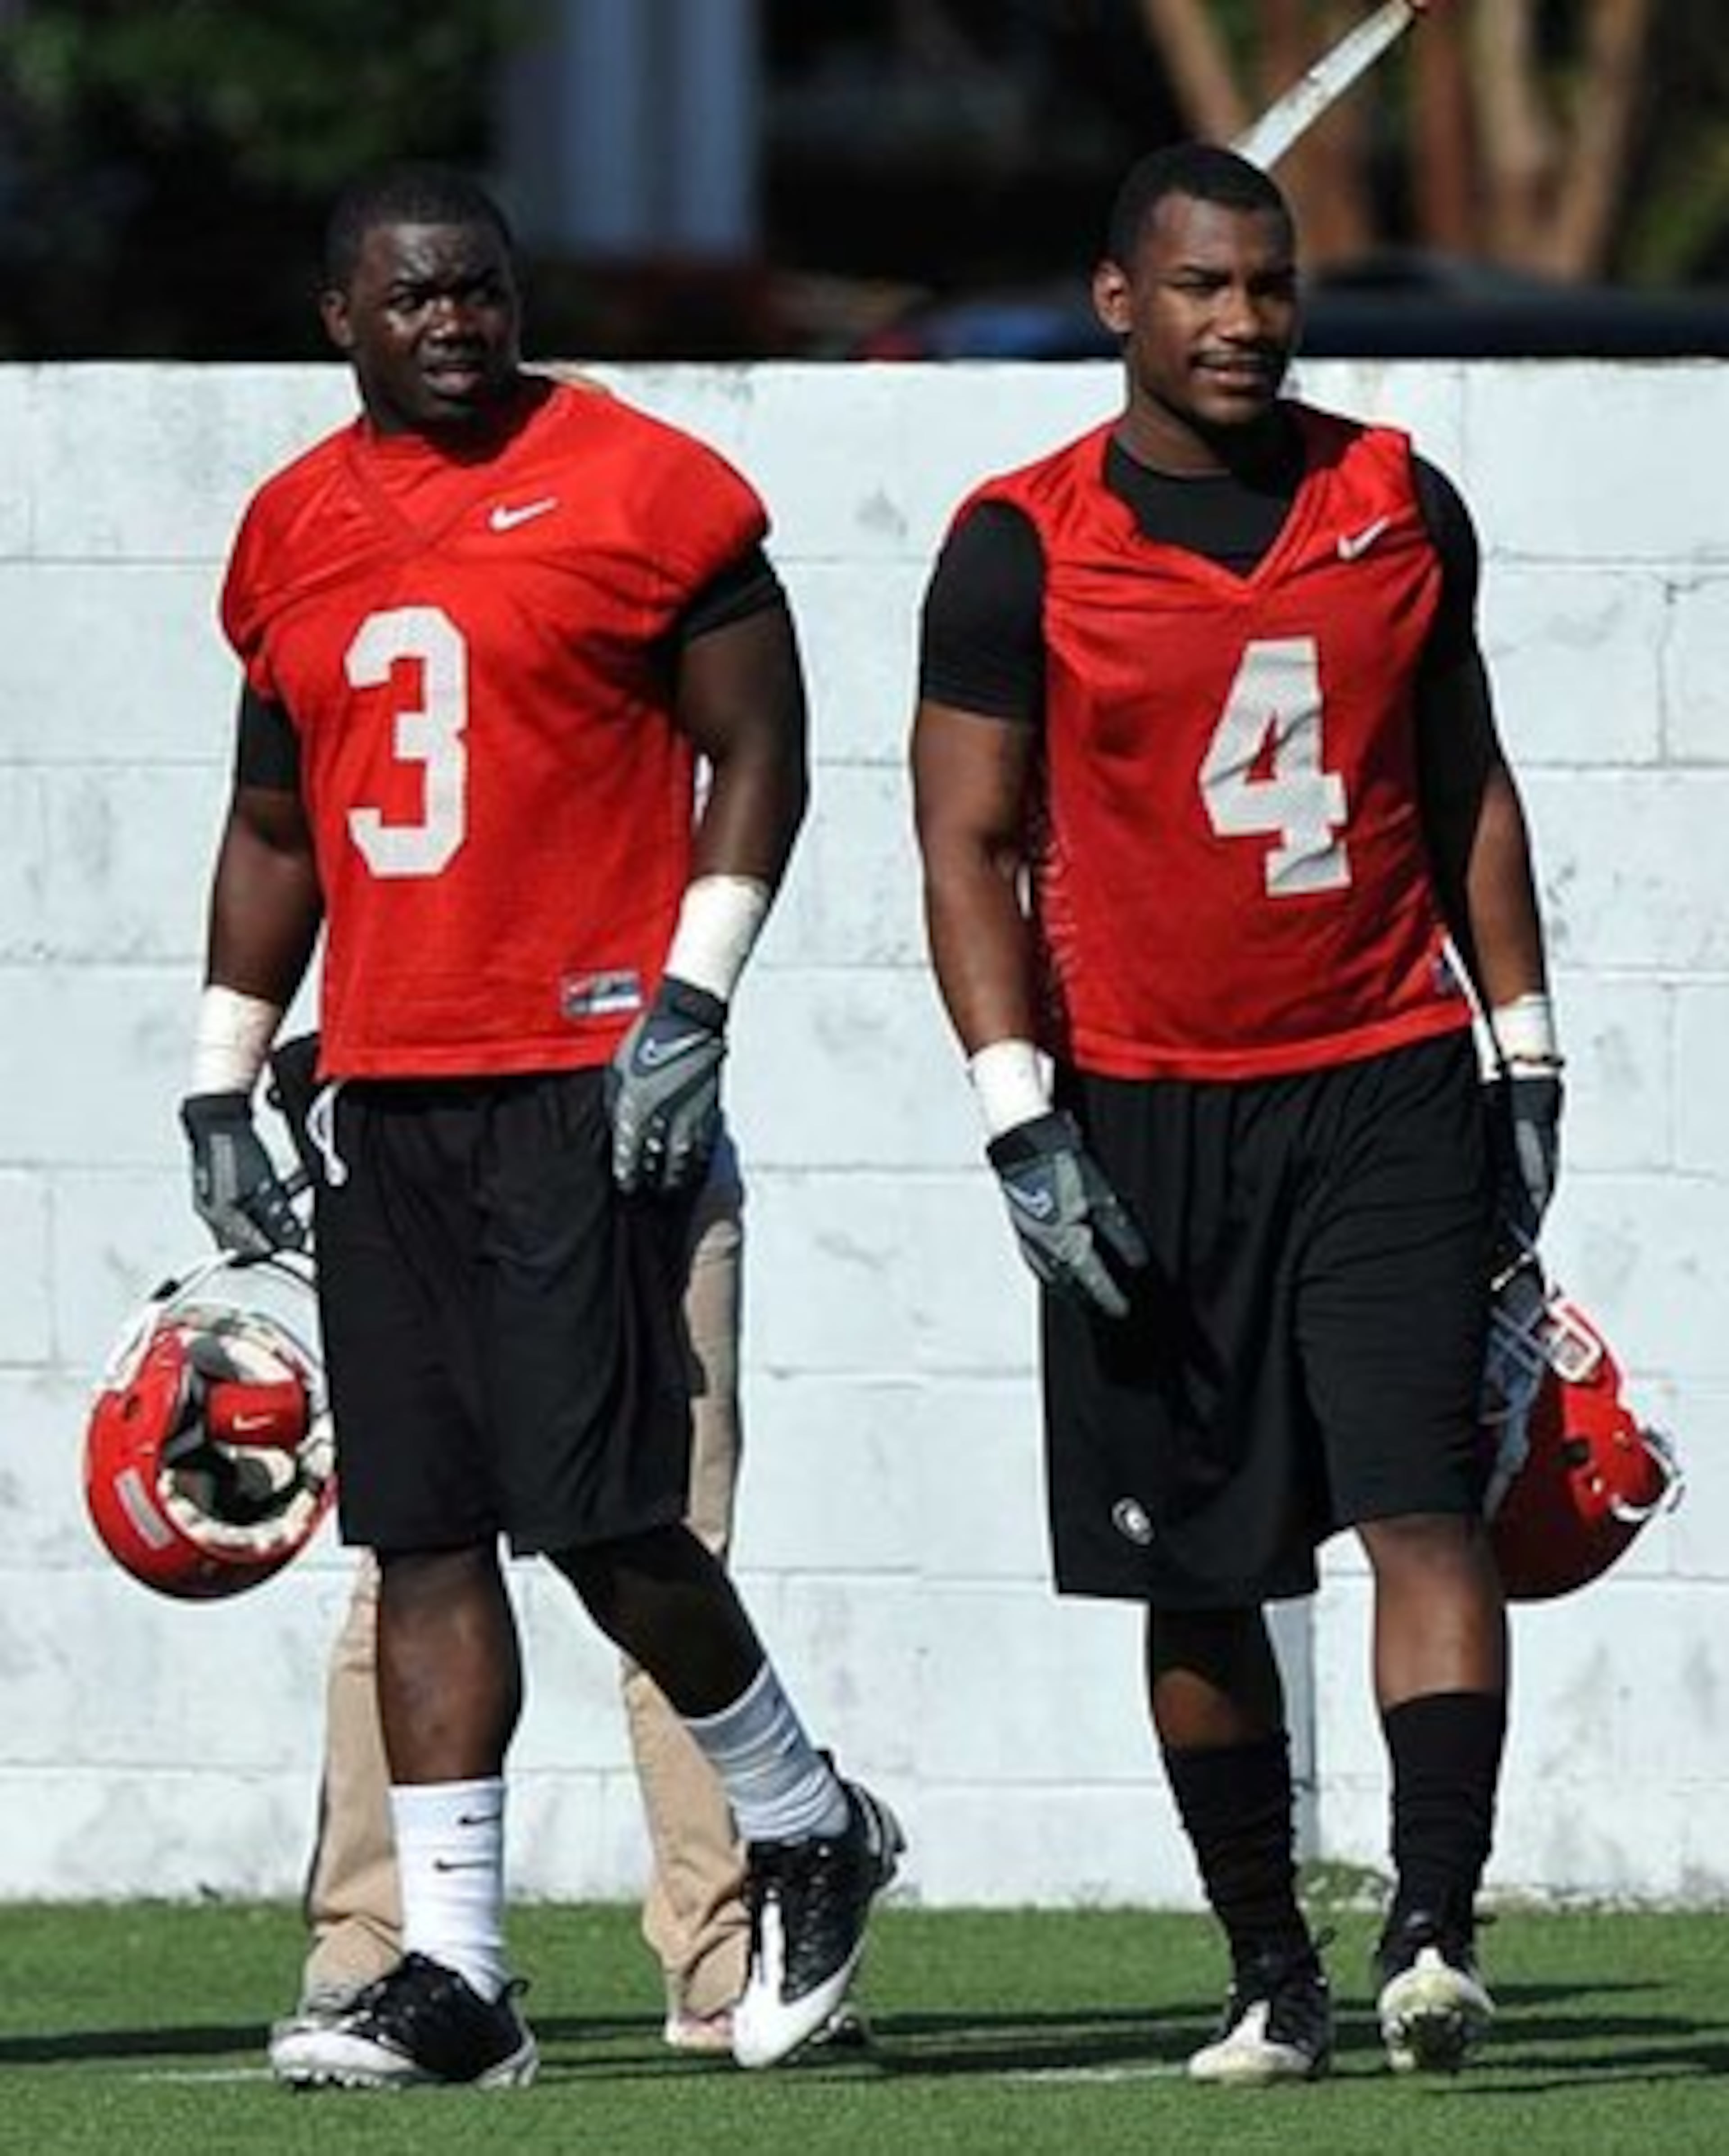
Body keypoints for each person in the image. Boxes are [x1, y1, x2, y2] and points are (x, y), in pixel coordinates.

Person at [180, 160, 901, 2090]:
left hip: (579, 1081)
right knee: (421, 1537)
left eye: (481, 289)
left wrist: (696, 994)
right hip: (386, 1097)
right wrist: (219, 1067)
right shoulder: (287, 533)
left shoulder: (645, 484)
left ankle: (807, 1813)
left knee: (598, 1513)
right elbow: (275, 825)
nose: (453, 322)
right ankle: (463, 1977)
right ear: (339, 315)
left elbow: (765, 743)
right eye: (412, 297)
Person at [910, 141, 1561, 2086]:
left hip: (1379, 1077)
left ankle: (1433, 1929)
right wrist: (1017, 1109)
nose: (1245, 323)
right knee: (1199, 1568)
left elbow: (1470, 786)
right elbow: (964, 838)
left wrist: (1524, 1046)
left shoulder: (1393, 498)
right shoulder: (1018, 538)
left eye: (1271, 286)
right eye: (1202, 287)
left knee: (1421, 1510)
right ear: (1122, 300)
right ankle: (1269, 1967)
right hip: (1141, 1108)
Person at [270, 1117, 760, 2059]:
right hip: (427, 1179)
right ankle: (369, 1937)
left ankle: (724, 1946)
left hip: (643, 1167)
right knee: (411, 1557)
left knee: (670, 1552)